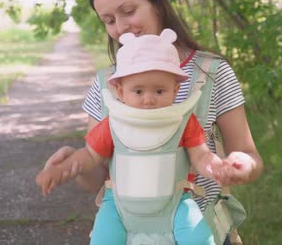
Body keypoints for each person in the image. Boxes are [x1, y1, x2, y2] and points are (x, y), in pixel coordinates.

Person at [45, 0, 263, 241]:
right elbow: (98, 176)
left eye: (129, 11)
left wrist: (242, 166)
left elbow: (250, 154)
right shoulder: (106, 85)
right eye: (109, 20)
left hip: (198, 231)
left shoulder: (211, 72)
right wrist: (73, 167)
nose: (121, 27)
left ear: (157, 4)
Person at [37, 29, 235, 244]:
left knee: (200, 238)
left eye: (159, 91)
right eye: (138, 91)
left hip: (176, 204)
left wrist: (216, 167)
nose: (149, 100)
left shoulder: (183, 121)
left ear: (176, 90)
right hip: (119, 207)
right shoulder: (112, 123)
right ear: (120, 91)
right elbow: (89, 156)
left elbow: (200, 156)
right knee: (103, 239)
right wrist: (62, 170)